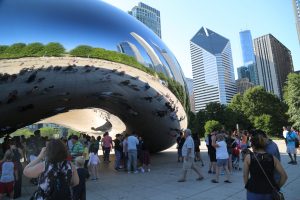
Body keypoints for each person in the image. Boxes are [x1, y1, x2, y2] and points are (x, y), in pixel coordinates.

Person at [243, 132, 287, 200]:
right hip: (269, 191)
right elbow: (284, 176)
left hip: (253, 190)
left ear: (253, 145)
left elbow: (245, 175)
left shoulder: (248, 158)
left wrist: (247, 185)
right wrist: (277, 187)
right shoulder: (273, 158)